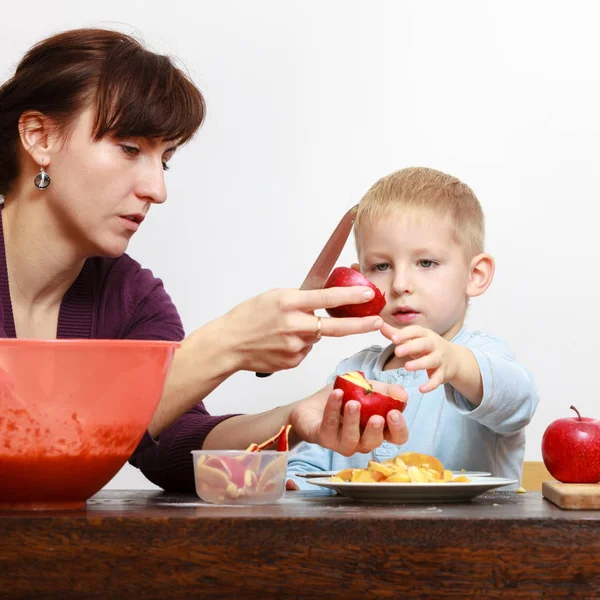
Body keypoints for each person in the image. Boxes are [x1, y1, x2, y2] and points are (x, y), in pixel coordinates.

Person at [0, 27, 410, 492]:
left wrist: (293, 420)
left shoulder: (132, 298)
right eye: (130, 148)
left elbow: (173, 447)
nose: (157, 189)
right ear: (38, 137)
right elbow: (43, 448)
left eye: (165, 160)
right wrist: (225, 345)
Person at [286, 167, 539, 489]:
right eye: (381, 266)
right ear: (359, 278)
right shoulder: (354, 371)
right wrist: (293, 483)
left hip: (470, 538)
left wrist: (455, 362)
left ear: (475, 275)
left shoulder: (484, 357)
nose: (400, 284)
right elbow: (314, 458)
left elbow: (519, 403)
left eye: (426, 263)